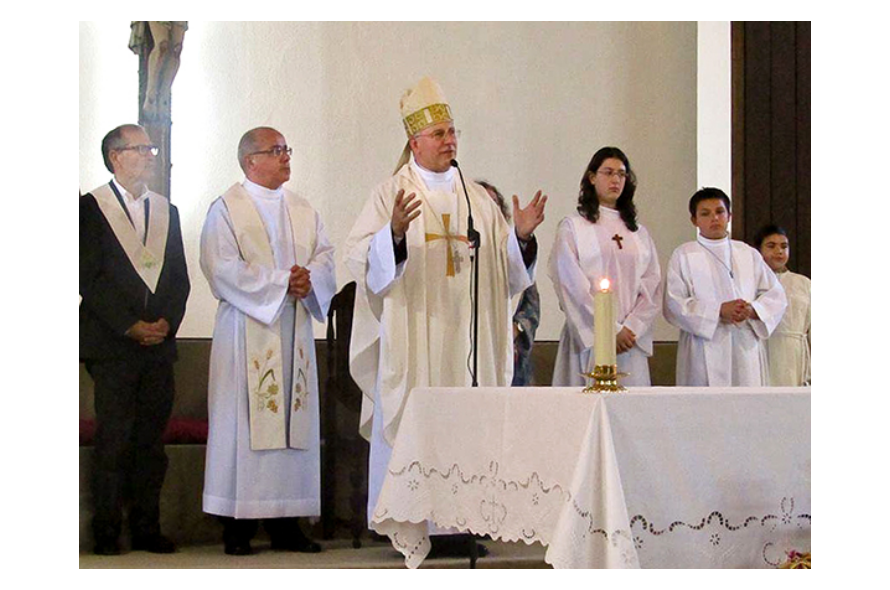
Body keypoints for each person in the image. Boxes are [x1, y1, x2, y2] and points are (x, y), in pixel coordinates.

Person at [345, 77, 546, 536]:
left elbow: (509, 275)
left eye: (453, 132)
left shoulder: (477, 199)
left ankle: (465, 524)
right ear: (414, 141)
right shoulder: (388, 194)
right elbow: (357, 258)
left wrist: (522, 237)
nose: (450, 140)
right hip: (414, 335)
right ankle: (412, 523)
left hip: (469, 338)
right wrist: (392, 235)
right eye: (439, 134)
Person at [200, 127, 336, 556]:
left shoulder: (303, 209)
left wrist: (307, 279)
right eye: (275, 151)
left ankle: (287, 524)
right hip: (245, 330)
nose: (285, 157)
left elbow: (325, 256)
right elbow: (219, 266)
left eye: (286, 149)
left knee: (293, 429)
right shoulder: (225, 209)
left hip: (293, 329)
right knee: (242, 427)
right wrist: (281, 282)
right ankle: (237, 528)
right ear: (250, 161)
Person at [79, 124, 190, 555]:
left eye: (150, 148)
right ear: (114, 156)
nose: (149, 156)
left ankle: (148, 527)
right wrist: (129, 325)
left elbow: (179, 277)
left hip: (159, 345)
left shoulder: (168, 211)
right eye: (139, 149)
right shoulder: (90, 208)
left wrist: (166, 322)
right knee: (115, 438)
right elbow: (89, 277)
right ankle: (106, 530)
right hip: (112, 345)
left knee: (151, 440)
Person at [548, 147, 662, 387]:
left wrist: (631, 329)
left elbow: (652, 286)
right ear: (592, 178)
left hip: (629, 343)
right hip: (589, 339)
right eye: (608, 172)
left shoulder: (638, 233)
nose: (615, 180)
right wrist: (611, 330)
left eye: (621, 174)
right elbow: (571, 286)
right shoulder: (574, 228)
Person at [664, 188, 787, 386]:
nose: (714, 218)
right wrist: (719, 311)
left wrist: (753, 310)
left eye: (720, 212)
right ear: (694, 220)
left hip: (745, 345)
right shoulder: (684, 255)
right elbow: (674, 303)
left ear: (729, 216)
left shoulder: (747, 253)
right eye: (705, 213)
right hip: (703, 347)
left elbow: (775, 295)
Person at [478, 180, 541, 386]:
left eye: (494, 204)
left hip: (511, 352)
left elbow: (529, 303)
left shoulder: (510, 247)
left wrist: (515, 331)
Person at [754, 225, 811, 386]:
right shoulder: (752, 282)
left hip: (793, 352)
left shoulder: (803, 283)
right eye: (771, 246)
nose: (779, 251)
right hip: (763, 348)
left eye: (784, 246)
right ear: (758, 251)